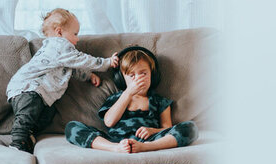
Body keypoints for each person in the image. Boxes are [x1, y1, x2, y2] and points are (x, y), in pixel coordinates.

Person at [6, 9, 119, 153]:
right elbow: (81, 60)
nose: (77, 39)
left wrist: (89, 76)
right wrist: (107, 62)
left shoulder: (60, 52)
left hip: (38, 93)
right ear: (59, 32)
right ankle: (17, 143)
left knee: (48, 115)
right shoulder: (59, 46)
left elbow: (73, 67)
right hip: (28, 88)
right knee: (27, 116)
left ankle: (29, 134)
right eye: (75, 34)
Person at [64, 46, 198, 153]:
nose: (138, 79)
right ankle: (115, 149)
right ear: (123, 79)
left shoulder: (159, 101)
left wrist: (152, 131)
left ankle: (146, 147)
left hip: (149, 140)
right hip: (115, 140)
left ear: (153, 75)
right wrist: (128, 93)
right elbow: (109, 122)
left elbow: (167, 128)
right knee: (72, 127)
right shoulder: (118, 98)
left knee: (191, 128)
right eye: (132, 75)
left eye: (143, 73)